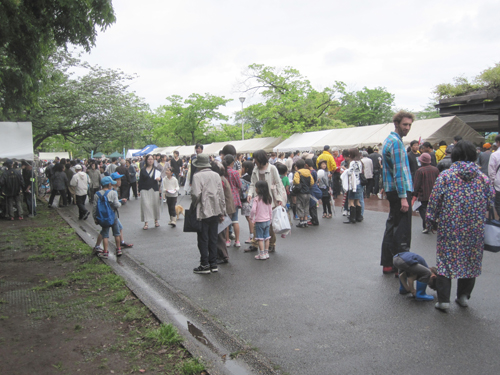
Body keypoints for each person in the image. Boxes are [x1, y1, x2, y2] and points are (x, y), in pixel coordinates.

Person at [426, 140, 494, 312]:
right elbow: (490, 201)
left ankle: (443, 301)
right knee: (471, 261)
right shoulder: (483, 178)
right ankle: (463, 297)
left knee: (445, 261)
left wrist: (430, 220)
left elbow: (434, 201)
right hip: (475, 227)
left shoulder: (446, 176)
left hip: (450, 226)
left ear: (454, 156)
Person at [380, 110, 414, 274]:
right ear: (397, 124)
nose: (407, 128)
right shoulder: (396, 143)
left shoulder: (388, 140)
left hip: (392, 188)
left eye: (409, 125)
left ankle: (388, 262)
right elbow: (399, 172)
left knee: (392, 225)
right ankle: (400, 264)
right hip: (400, 189)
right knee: (402, 229)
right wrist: (403, 198)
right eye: (404, 124)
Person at [191, 153, 226, 274]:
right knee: (213, 237)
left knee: (203, 238)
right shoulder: (216, 175)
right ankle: (213, 263)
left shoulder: (197, 176)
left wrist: (194, 204)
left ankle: (204, 264)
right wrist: (222, 211)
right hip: (216, 209)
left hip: (203, 210)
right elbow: (221, 194)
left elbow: (196, 194)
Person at [246, 150, 286, 252]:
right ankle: (255, 244)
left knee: (270, 224)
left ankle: (272, 244)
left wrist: (279, 199)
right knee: (257, 222)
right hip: (258, 200)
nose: (254, 161)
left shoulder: (272, 168)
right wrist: (250, 194)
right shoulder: (255, 169)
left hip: (270, 199)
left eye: (255, 159)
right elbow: (252, 183)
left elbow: (278, 184)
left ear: (260, 159)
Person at [92, 176, 122, 259]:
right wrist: (120, 203)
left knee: (105, 234)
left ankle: (105, 252)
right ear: (109, 184)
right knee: (117, 233)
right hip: (113, 216)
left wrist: (95, 217)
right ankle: (118, 249)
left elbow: (94, 208)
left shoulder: (97, 194)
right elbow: (117, 204)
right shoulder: (113, 193)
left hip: (103, 218)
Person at [411, 153, 439, 233]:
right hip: (434, 194)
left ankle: (427, 225)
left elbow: (416, 184)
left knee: (423, 211)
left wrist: (414, 194)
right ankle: (430, 225)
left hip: (423, 194)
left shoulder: (420, 171)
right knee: (432, 210)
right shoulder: (435, 169)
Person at [250, 181, 273, 260]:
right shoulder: (268, 198)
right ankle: (266, 253)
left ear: (259, 189)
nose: (255, 189)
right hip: (267, 220)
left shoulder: (256, 199)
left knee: (260, 238)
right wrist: (270, 219)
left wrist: (251, 217)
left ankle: (261, 254)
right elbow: (270, 210)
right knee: (267, 237)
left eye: (256, 187)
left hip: (259, 221)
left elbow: (253, 210)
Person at [223, 155, 242, 247]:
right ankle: (237, 241)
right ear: (232, 163)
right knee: (235, 220)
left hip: (225, 198)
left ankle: (227, 240)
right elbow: (240, 185)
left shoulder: (222, 173)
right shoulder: (235, 173)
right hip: (234, 197)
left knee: (227, 220)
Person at [138, 154, 161, 229]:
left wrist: (159, 179)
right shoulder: (143, 170)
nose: (150, 160)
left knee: (155, 205)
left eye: (151, 159)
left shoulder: (156, 169)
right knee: (146, 206)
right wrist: (139, 190)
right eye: (149, 159)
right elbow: (140, 181)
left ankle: (156, 221)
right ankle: (146, 223)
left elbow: (161, 178)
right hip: (145, 189)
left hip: (154, 189)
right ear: (146, 160)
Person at [343, 148, 363, 224]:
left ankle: (352, 218)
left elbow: (349, 172)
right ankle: (358, 217)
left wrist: (345, 170)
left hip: (353, 183)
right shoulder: (360, 162)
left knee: (351, 201)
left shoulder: (352, 162)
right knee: (357, 201)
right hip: (359, 182)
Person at [293, 159, 314, 228]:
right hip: (307, 192)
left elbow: (296, 181)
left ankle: (301, 221)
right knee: (306, 206)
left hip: (301, 192)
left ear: (297, 166)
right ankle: (306, 221)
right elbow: (312, 182)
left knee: (300, 206)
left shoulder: (298, 173)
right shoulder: (308, 172)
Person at [240, 161, 254, 244]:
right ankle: (253, 235)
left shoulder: (244, 178)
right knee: (251, 218)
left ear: (246, 169)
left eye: (243, 167)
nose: (241, 169)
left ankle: (252, 236)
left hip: (246, 200)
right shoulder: (253, 176)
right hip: (252, 199)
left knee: (249, 218)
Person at [488, 134, 500, 217]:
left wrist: (492, 182)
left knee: (498, 205)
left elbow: (491, 172)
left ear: (498, 143)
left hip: (498, 185)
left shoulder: (494, 155)